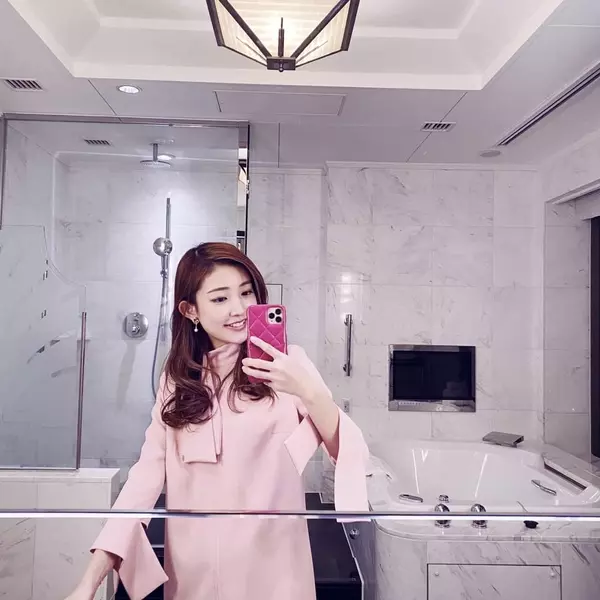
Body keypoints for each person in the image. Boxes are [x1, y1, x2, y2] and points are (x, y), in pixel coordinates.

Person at [66, 242, 369, 600]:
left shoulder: (289, 364)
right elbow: (144, 479)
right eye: (220, 298)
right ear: (190, 310)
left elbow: (346, 451)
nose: (239, 309)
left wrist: (308, 391)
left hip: (275, 573)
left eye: (246, 292)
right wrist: (89, 582)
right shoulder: (177, 381)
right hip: (197, 575)